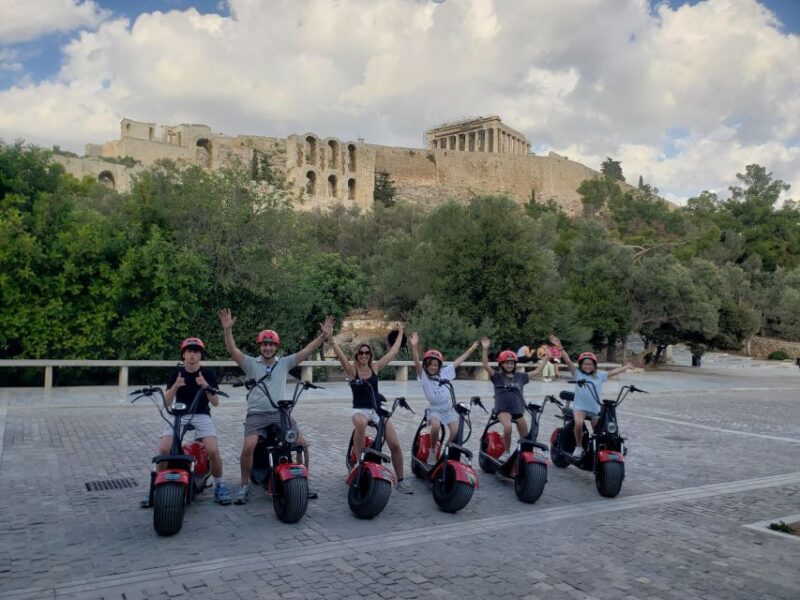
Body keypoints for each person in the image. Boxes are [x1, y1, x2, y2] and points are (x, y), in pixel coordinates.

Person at [219, 308, 333, 505]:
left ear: (276, 347)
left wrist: (323, 336)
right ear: (260, 346)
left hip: (280, 412)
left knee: (301, 443)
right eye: (265, 344)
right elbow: (233, 351)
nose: (268, 348)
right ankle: (245, 485)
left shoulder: (284, 363)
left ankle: (303, 480)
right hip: (257, 414)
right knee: (248, 447)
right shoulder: (251, 363)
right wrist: (228, 330)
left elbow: (306, 351)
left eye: (271, 344)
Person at [327, 323, 414, 494]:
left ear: (370, 355)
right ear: (357, 355)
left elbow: (392, 353)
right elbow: (341, 356)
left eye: (367, 353)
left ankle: (401, 479)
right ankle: (359, 464)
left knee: (395, 444)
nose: (364, 355)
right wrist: (330, 339)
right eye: (361, 353)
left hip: (377, 409)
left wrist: (402, 332)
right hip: (360, 409)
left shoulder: (375, 367)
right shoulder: (353, 371)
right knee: (360, 424)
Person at [143, 337, 231, 506]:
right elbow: (166, 402)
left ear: (200, 356)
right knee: (163, 449)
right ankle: (157, 487)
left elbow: (215, 402)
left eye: (196, 352)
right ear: (183, 355)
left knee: (212, 450)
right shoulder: (176, 373)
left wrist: (205, 385)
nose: (192, 355)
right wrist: (175, 386)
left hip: (201, 414)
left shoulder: (207, 374)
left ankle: (220, 485)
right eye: (189, 351)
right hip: (179, 414)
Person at [549, 335, 633, 460]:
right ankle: (578, 447)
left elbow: (612, 372)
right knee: (578, 423)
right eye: (585, 364)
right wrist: (560, 347)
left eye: (590, 364)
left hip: (594, 407)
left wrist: (625, 367)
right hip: (580, 407)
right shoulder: (577, 374)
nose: (587, 366)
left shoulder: (599, 375)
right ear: (581, 365)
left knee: (600, 428)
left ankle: (596, 447)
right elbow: (567, 360)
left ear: (594, 365)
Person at [409, 333, 479, 463]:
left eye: (436, 365)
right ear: (427, 365)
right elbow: (417, 363)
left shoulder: (444, 373)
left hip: (447, 407)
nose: (433, 367)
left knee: (455, 431)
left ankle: (446, 451)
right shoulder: (423, 376)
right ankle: (432, 451)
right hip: (434, 409)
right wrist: (414, 347)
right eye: (431, 364)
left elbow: (458, 362)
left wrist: (471, 349)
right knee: (435, 427)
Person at [481, 337, 547, 462]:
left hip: (517, 410)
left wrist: (547, 357)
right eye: (507, 363)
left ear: (515, 364)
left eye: (512, 363)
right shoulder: (497, 376)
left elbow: (538, 371)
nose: (509, 365)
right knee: (508, 427)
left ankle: (525, 454)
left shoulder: (520, 377)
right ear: (501, 364)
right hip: (503, 409)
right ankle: (506, 452)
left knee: (526, 435)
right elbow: (485, 365)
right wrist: (485, 349)